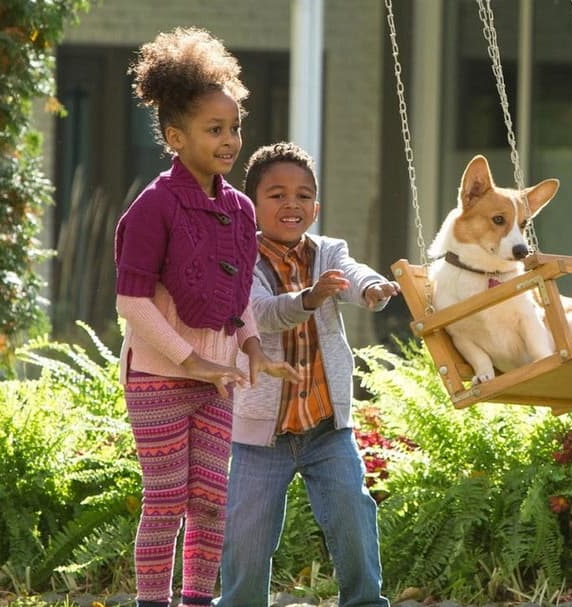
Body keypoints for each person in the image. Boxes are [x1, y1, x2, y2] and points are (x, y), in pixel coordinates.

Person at [114, 28, 302, 607]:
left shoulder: (240, 207)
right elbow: (131, 303)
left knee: (211, 501)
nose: (229, 141)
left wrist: (252, 350)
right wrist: (189, 359)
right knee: (166, 501)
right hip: (160, 378)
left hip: (218, 379)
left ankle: (197, 600)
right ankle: (154, 601)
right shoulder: (153, 206)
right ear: (176, 137)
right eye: (214, 130)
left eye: (234, 128)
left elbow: (236, 292)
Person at [218, 142, 400, 607]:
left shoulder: (328, 252)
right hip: (261, 437)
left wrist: (372, 288)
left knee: (353, 516)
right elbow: (261, 314)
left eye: (302, 195)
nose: (291, 204)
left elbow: (352, 274)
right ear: (252, 206)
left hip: (325, 429)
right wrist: (311, 299)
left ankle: (364, 601)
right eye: (276, 195)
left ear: (315, 207)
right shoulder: (240, 261)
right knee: (247, 537)